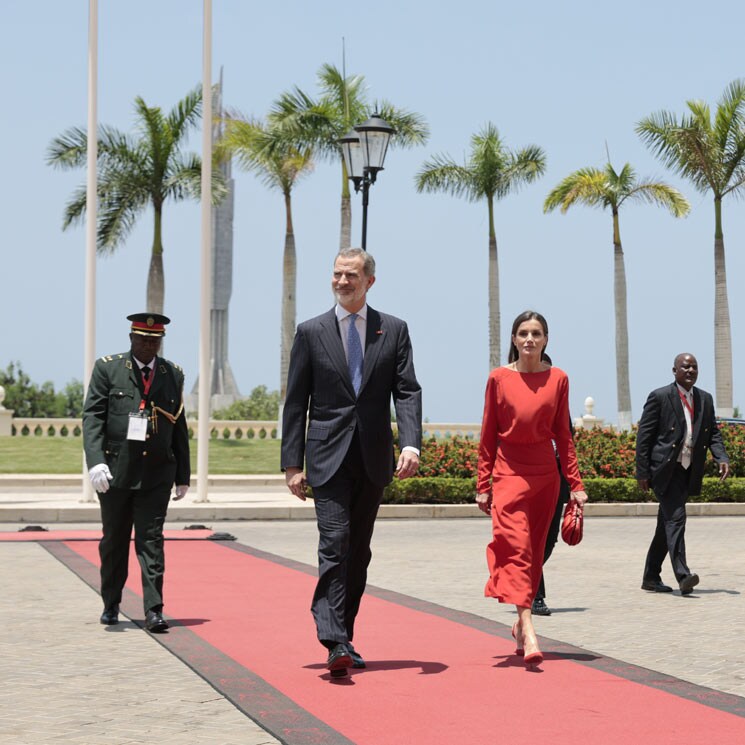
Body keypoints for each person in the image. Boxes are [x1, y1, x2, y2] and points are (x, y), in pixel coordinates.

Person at [281, 247, 422, 678]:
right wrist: (292, 464)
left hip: (373, 458)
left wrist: (411, 444)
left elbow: (407, 390)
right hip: (326, 458)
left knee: (357, 553)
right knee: (334, 543)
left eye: (351, 276)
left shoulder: (392, 330)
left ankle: (345, 635)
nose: (343, 282)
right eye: (337, 274)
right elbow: (295, 401)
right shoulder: (311, 332)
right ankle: (334, 639)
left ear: (369, 282)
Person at [476, 310, 587, 666]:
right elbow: (488, 435)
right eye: (523, 333)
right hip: (508, 475)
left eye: (536, 333)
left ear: (545, 340)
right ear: (513, 339)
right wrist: (482, 484)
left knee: (535, 556)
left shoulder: (559, 379)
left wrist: (576, 484)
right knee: (519, 550)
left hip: (545, 480)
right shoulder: (497, 378)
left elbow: (564, 437)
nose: (529, 339)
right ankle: (529, 627)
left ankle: (519, 626)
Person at [83, 313, 191, 632]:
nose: (148, 345)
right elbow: (92, 417)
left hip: (157, 473)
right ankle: (111, 602)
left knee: (151, 541)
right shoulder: (108, 368)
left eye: (154, 340)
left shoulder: (173, 373)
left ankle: (154, 609)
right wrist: (95, 461)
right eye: (142, 339)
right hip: (116, 472)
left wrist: (183, 474)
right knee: (114, 541)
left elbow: (178, 425)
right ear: (131, 338)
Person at [636, 353, 729, 596]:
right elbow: (644, 438)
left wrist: (722, 458)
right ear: (674, 370)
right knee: (677, 518)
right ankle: (683, 574)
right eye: (685, 366)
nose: (690, 370)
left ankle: (650, 576)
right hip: (664, 470)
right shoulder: (660, 396)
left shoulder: (705, 399)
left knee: (665, 524)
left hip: (688, 470)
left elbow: (713, 434)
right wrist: (642, 472)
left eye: (694, 367)